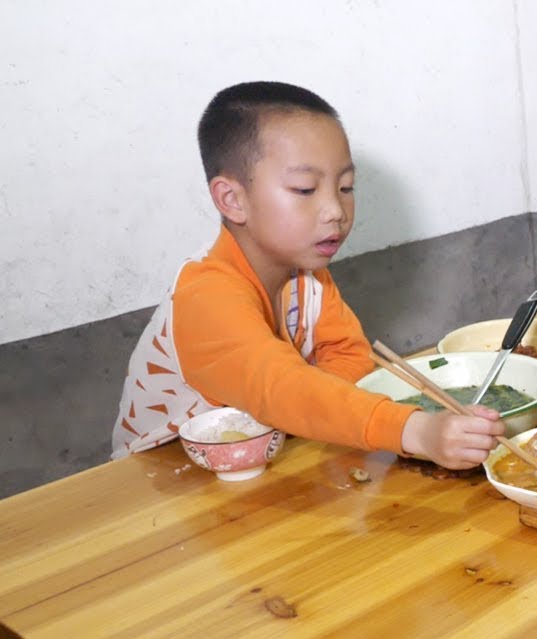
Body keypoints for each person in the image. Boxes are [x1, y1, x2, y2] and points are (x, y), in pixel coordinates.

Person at [111, 81, 504, 469]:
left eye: (346, 187)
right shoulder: (205, 295)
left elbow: (348, 354)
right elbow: (281, 387)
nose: (335, 209)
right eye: (304, 189)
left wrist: (313, 408)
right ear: (232, 200)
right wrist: (415, 432)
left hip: (259, 470)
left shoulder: (306, 276)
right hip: (161, 490)